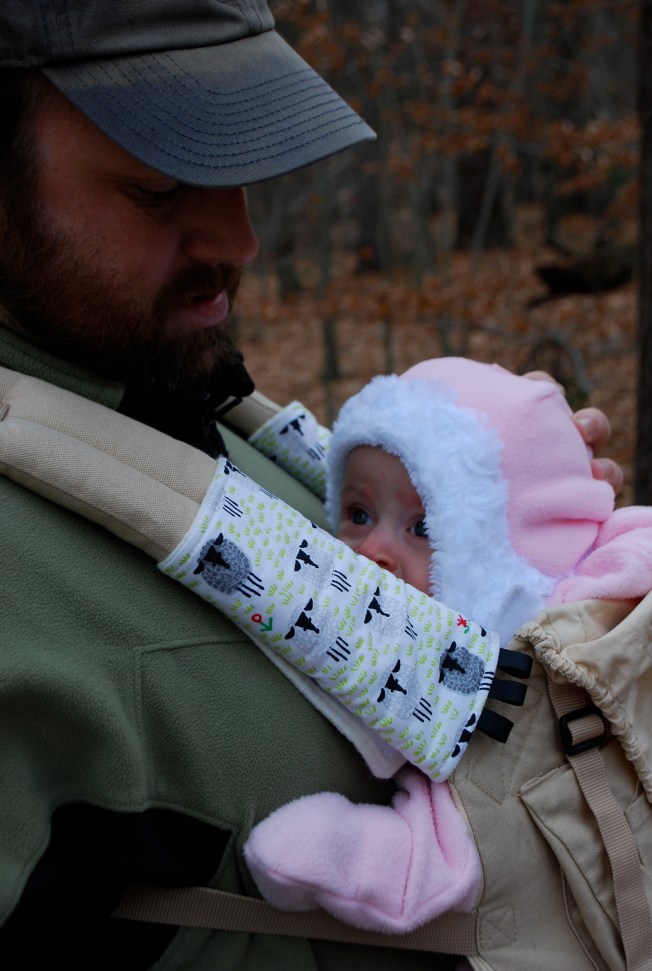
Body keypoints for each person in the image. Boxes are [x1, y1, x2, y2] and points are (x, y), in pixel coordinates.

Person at [0, 2, 624, 969]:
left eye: (238, 164)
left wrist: (535, 549)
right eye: (161, 186)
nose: (239, 237)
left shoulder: (193, 399)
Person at [239, 357, 652, 935]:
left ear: (501, 551)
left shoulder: (517, 693)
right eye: (357, 514)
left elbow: (444, 855)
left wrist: (334, 850)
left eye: (423, 527)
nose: (371, 552)